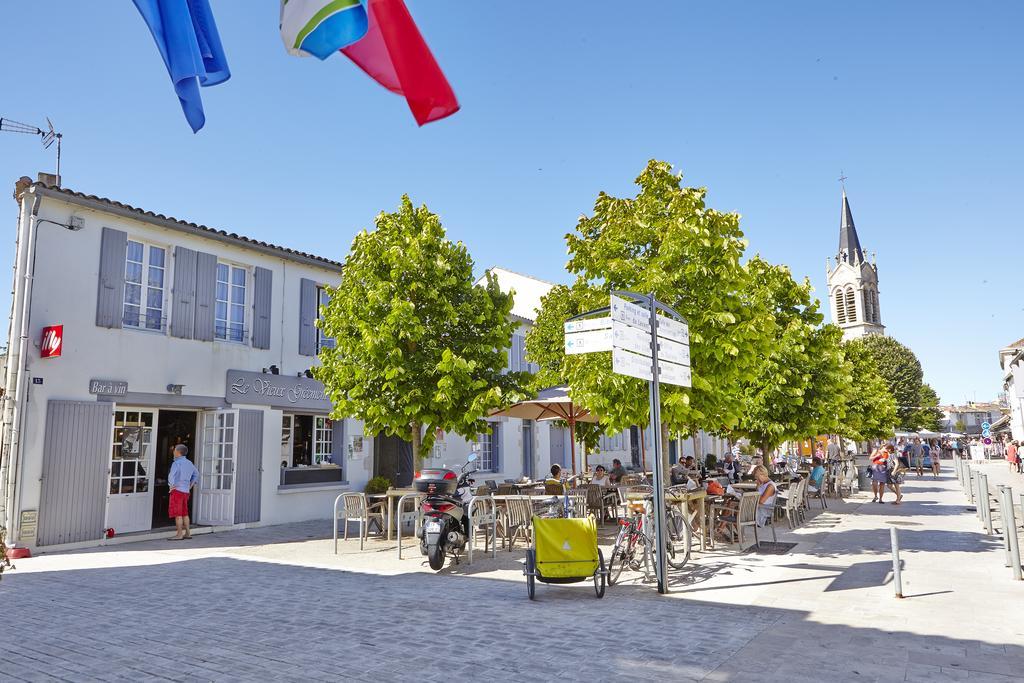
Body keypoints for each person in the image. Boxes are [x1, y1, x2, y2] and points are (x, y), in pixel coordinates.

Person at [167, 444, 198, 540]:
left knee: (178, 514)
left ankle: (179, 534)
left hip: (177, 490)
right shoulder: (189, 463)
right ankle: (188, 533)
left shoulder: (176, 463)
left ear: (178, 452)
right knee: (185, 513)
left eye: (174, 450)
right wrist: (190, 485)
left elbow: (171, 476)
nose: (173, 451)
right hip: (185, 491)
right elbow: (196, 474)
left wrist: (171, 486)